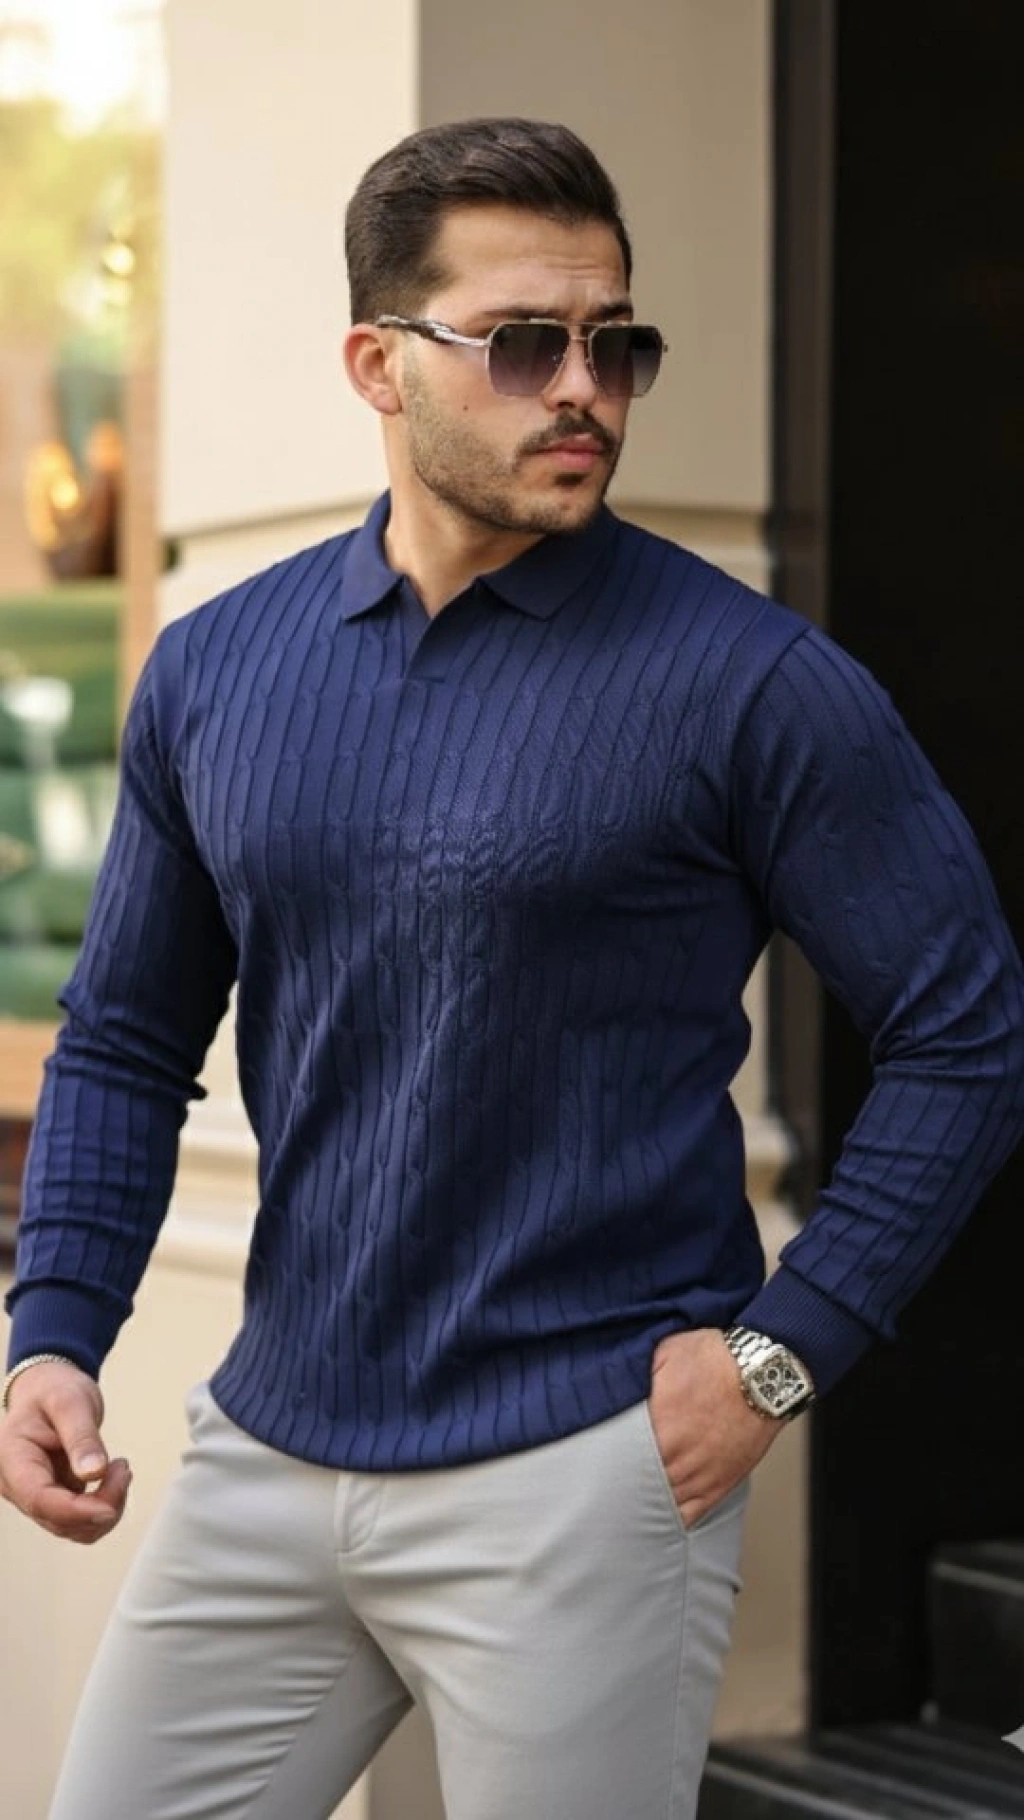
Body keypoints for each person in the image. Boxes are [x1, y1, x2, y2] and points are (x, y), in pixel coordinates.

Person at [1, 117, 1022, 1820]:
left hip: (582, 1470)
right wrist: (55, 1334)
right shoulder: (217, 669)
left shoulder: (754, 683)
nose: (585, 392)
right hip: (267, 1449)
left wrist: (780, 1358)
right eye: (526, 344)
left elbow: (967, 1034)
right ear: (377, 365)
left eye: (616, 345)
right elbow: (120, 1041)